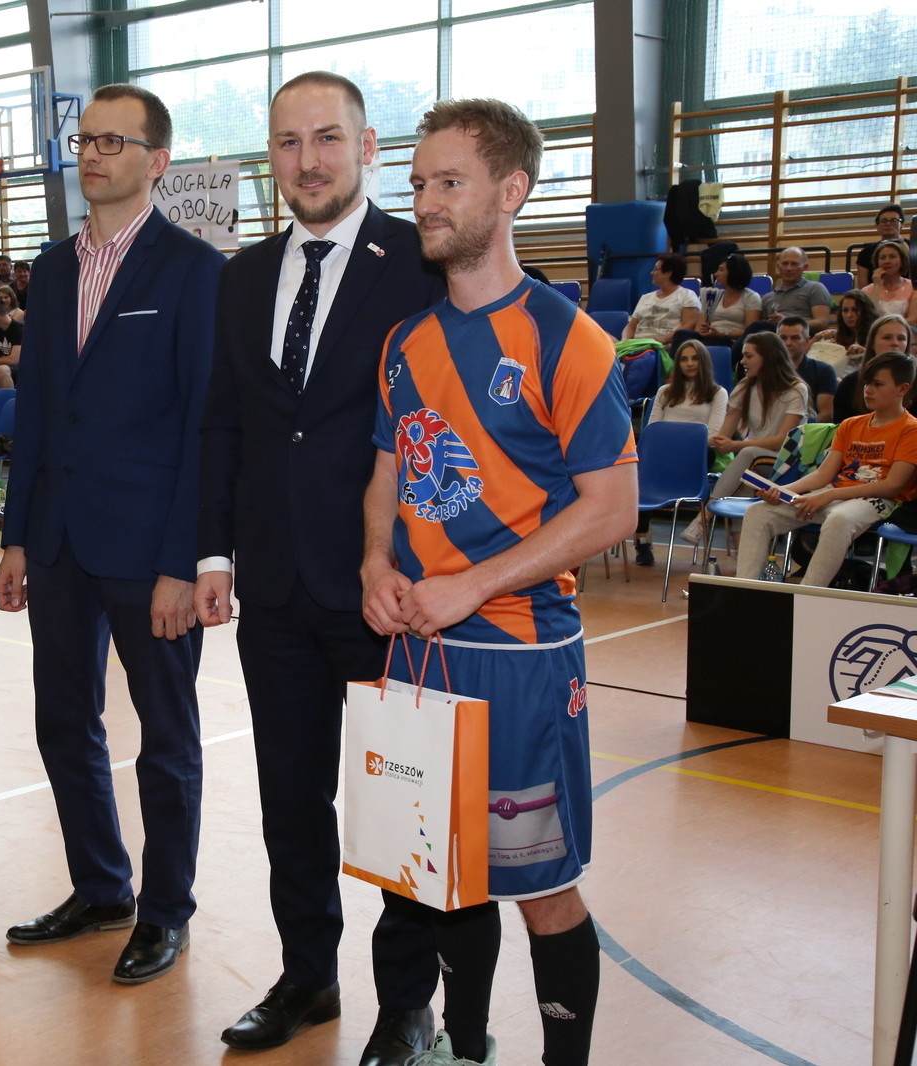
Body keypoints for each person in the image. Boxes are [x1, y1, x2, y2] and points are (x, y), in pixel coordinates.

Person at [361, 97, 638, 1066]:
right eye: (418, 183)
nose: (425, 202)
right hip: (418, 646)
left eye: (449, 182)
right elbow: (388, 473)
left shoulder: (569, 341)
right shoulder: (405, 342)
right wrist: (375, 561)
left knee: (542, 890)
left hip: (518, 653)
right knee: (440, 874)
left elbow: (612, 510)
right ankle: (466, 1046)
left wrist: (473, 584)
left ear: (510, 191)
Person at [196, 71, 445, 1061]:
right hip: (274, 588)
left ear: (368, 146)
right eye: (288, 142)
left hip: (391, 588)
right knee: (290, 800)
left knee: (402, 801)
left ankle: (407, 1005)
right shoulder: (242, 277)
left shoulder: (419, 264)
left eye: (327, 138)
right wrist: (213, 550)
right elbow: (224, 425)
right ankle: (307, 977)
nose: (307, 160)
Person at [0, 83, 222, 986]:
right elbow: (41, 411)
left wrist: (183, 561)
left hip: (149, 549)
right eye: (85, 140)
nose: (92, 154)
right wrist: (17, 536)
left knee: (165, 738)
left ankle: (166, 911)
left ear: (156, 162)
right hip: (58, 542)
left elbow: (204, 424)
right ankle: (100, 887)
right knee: (63, 722)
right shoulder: (52, 270)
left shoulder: (193, 270)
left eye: (114, 142)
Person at [736, 351, 917, 587]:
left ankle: (808, 594)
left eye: (877, 384)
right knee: (758, 512)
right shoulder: (850, 425)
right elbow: (823, 474)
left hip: (876, 500)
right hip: (833, 494)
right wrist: (781, 491)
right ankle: (745, 590)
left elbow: (892, 486)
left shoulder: (911, 429)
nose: (868, 390)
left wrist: (830, 495)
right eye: (867, 383)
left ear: (903, 389)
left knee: (839, 519)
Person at [681, 331, 810, 545]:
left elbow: (783, 441)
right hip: (754, 463)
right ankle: (742, 553)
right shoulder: (745, 386)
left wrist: (737, 445)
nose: (742, 361)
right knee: (746, 476)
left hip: (785, 463)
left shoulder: (796, 390)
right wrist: (702, 440)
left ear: (768, 357)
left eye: (748, 356)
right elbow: (723, 434)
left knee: (747, 455)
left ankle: (705, 517)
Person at [632, 340, 729, 565]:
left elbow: (713, 435)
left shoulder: (717, 393)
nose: (689, 363)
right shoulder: (665, 391)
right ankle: (641, 541)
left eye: (695, 358)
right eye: (684, 359)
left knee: (651, 467)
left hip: (697, 456)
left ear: (703, 362)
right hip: (662, 454)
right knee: (642, 470)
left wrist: (677, 441)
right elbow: (652, 430)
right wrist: (673, 441)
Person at [835, 314, 915, 423]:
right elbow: (840, 426)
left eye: (901, 338)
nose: (895, 343)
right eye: (887, 337)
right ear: (872, 343)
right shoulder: (850, 383)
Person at [624, 253, 698, 345]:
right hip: (637, 345)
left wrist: (663, 339)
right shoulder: (645, 298)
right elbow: (631, 326)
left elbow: (689, 325)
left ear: (668, 273)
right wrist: (624, 340)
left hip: (663, 346)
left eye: (655, 269)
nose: (652, 273)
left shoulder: (687, 296)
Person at [777, 315, 839, 422]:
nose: (788, 343)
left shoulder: (823, 370)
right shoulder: (765, 369)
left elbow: (826, 414)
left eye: (795, 338)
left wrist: (797, 430)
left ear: (807, 341)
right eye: (783, 338)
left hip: (807, 429)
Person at [694, 251, 760, 347]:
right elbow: (698, 327)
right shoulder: (712, 296)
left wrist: (723, 334)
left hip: (734, 341)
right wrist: (703, 331)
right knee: (682, 335)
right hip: (710, 337)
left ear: (734, 272)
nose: (716, 274)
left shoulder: (751, 297)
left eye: (721, 270)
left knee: (714, 342)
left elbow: (750, 331)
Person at [760, 247, 832, 333]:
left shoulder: (815, 289)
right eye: (785, 264)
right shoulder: (767, 298)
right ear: (778, 266)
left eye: (794, 264)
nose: (789, 268)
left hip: (804, 337)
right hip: (774, 337)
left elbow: (822, 323)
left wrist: (788, 322)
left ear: (805, 267)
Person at [811, 288, 875, 372]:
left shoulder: (876, 334)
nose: (849, 315)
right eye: (845, 310)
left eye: (855, 310)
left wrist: (865, 353)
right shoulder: (836, 335)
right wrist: (816, 338)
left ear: (865, 311)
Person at [861, 239, 916, 320]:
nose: (887, 261)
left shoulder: (913, 287)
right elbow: (869, 319)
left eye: (892, 257)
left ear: (902, 261)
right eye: (882, 258)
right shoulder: (866, 291)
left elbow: (913, 319)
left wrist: (890, 327)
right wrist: (877, 286)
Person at [856, 204, 906, 287]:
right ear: (878, 226)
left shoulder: (913, 249)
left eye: (894, 220)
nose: (888, 223)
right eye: (884, 221)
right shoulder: (865, 253)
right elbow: (863, 290)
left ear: (902, 225)